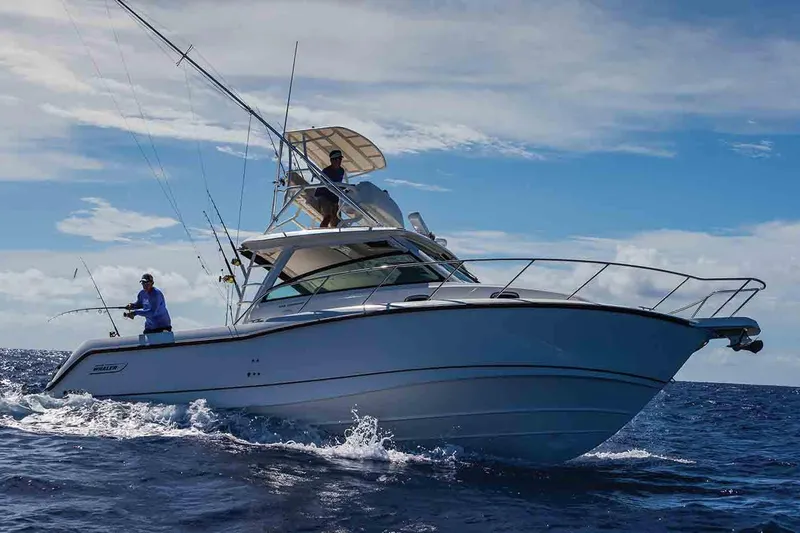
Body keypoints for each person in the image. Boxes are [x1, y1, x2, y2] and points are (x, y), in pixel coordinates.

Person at [315, 149, 347, 228]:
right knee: (328, 216)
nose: (338, 161)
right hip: (324, 196)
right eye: (336, 159)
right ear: (331, 160)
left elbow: (337, 184)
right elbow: (328, 185)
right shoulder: (326, 171)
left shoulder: (341, 171)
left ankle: (336, 235)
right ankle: (321, 232)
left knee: (337, 221)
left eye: (340, 159)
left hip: (334, 197)